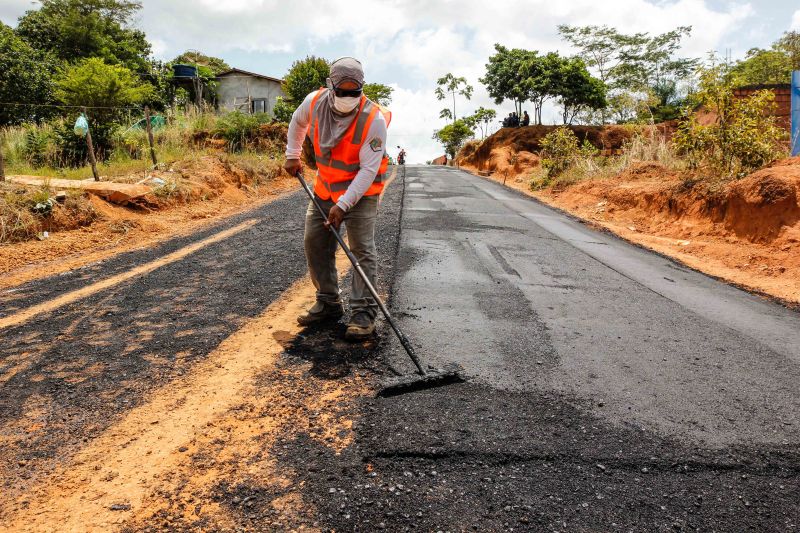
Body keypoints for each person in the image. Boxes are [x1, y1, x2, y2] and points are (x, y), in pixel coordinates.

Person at [283, 57, 391, 341]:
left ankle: (363, 313)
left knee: (361, 250)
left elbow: (368, 170)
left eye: (353, 92)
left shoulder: (373, 119)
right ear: (331, 86)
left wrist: (343, 206)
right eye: (341, 92)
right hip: (325, 188)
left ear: (361, 89)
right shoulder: (315, 101)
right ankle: (328, 302)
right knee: (315, 242)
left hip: (361, 193)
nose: (347, 98)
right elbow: (297, 122)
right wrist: (292, 155)